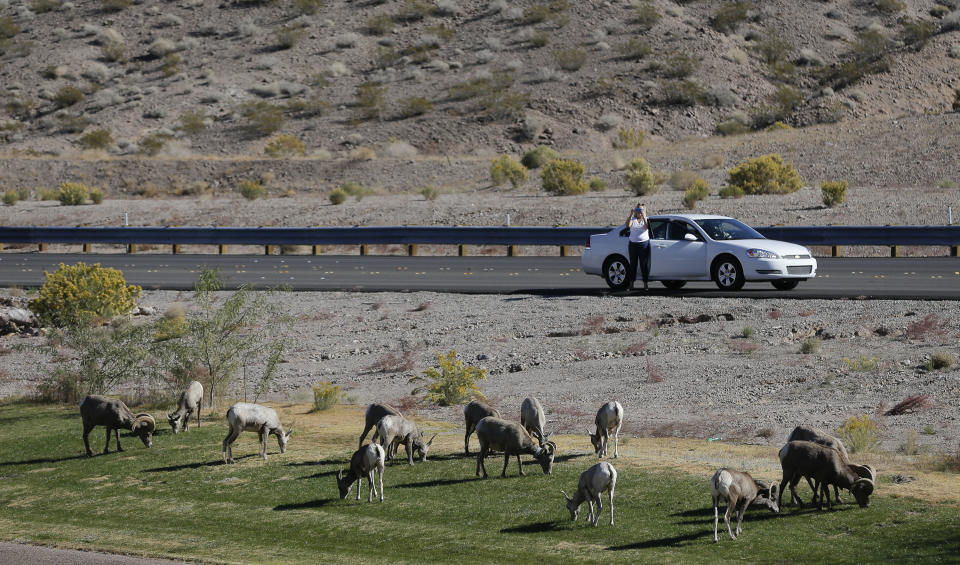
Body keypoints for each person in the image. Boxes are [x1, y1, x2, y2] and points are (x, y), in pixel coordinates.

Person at [626, 203, 651, 290]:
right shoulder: (633, 219)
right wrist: (631, 214)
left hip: (644, 244)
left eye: (640, 210)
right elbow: (628, 225)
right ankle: (631, 284)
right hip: (633, 244)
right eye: (637, 210)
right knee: (633, 264)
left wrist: (644, 216)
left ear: (643, 211)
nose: (639, 212)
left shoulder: (646, 219)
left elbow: (648, 227)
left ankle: (645, 284)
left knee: (644, 264)